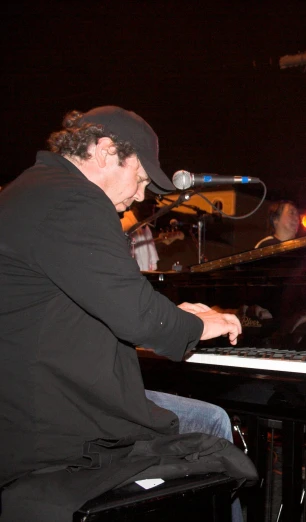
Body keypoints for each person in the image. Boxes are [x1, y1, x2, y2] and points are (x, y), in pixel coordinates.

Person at [0, 106, 254, 521]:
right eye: (139, 177)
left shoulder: (28, 191)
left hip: (23, 399)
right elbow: (138, 318)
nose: (140, 195)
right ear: (104, 152)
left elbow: (89, 304)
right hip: (50, 423)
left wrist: (166, 311)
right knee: (210, 421)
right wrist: (199, 323)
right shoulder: (75, 198)